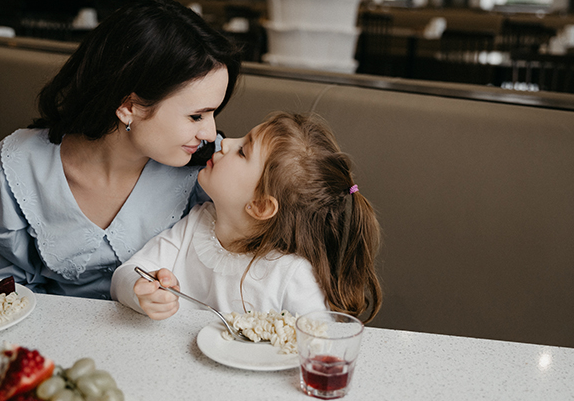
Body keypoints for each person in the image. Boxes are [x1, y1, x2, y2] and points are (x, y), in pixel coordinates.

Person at [0, 0, 241, 299]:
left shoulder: (213, 166)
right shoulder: (14, 171)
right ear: (129, 106)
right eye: (196, 115)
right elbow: (10, 294)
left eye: (214, 113)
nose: (211, 132)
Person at [111, 111, 383, 323]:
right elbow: (125, 273)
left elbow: (319, 343)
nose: (224, 142)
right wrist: (139, 291)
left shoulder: (291, 274)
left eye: (243, 151)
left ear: (261, 206)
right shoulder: (196, 225)